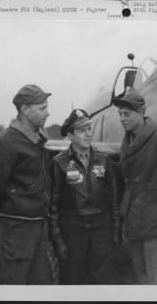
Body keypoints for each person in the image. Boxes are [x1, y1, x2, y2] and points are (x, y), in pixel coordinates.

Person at [0, 84, 58, 284]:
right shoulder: (5, 143)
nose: (48, 112)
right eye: (42, 108)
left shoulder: (34, 142)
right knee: (10, 291)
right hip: (11, 235)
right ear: (24, 110)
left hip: (35, 233)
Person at [112, 92, 157, 284]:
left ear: (141, 112)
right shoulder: (127, 143)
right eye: (120, 114)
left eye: (127, 114)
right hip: (134, 218)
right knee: (141, 277)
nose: (122, 119)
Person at [48, 109, 120, 284]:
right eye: (82, 130)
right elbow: (52, 207)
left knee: (101, 283)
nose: (88, 134)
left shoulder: (104, 160)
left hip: (101, 230)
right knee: (71, 282)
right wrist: (58, 241)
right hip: (73, 232)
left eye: (89, 128)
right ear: (71, 135)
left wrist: (116, 230)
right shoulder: (58, 163)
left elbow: (114, 199)